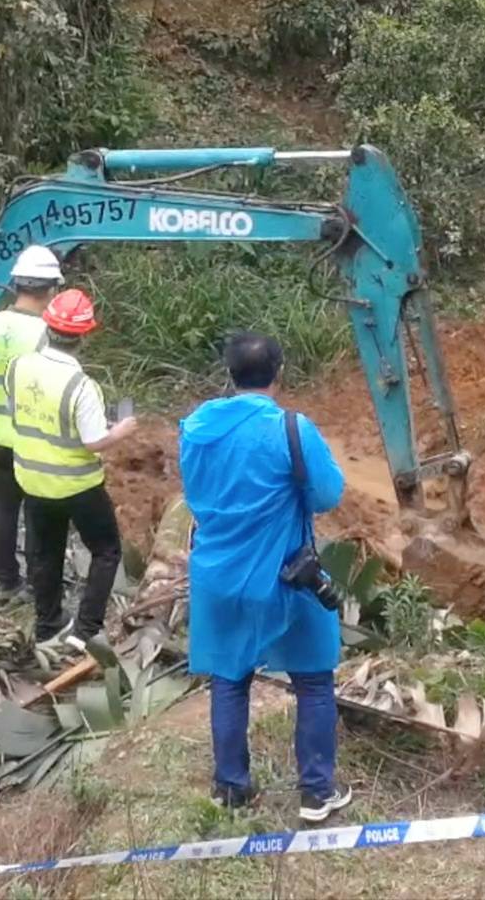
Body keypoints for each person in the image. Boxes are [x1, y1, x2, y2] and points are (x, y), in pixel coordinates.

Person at [180, 332, 352, 822]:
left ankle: (231, 788)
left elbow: (196, 493)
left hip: (217, 573)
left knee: (229, 679)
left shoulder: (195, 429)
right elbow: (327, 495)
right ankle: (317, 792)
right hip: (286, 574)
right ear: (281, 371)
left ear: (228, 374)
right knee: (314, 681)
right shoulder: (290, 429)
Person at [4, 288, 138, 651]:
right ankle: (85, 630)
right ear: (84, 336)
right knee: (106, 551)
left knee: (44, 554)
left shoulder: (18, 367)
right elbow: (94, 441)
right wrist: (121, 430)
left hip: (32, 480)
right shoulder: (81, 386)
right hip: (78, 486)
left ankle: (48, 626)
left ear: (48, 328)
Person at [0, 245, 63, 593]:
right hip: (33, 437)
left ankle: (5, 579)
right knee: (37, 510)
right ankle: (39, 581)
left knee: (2, 511)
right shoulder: (45, 332)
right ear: (51, 290)